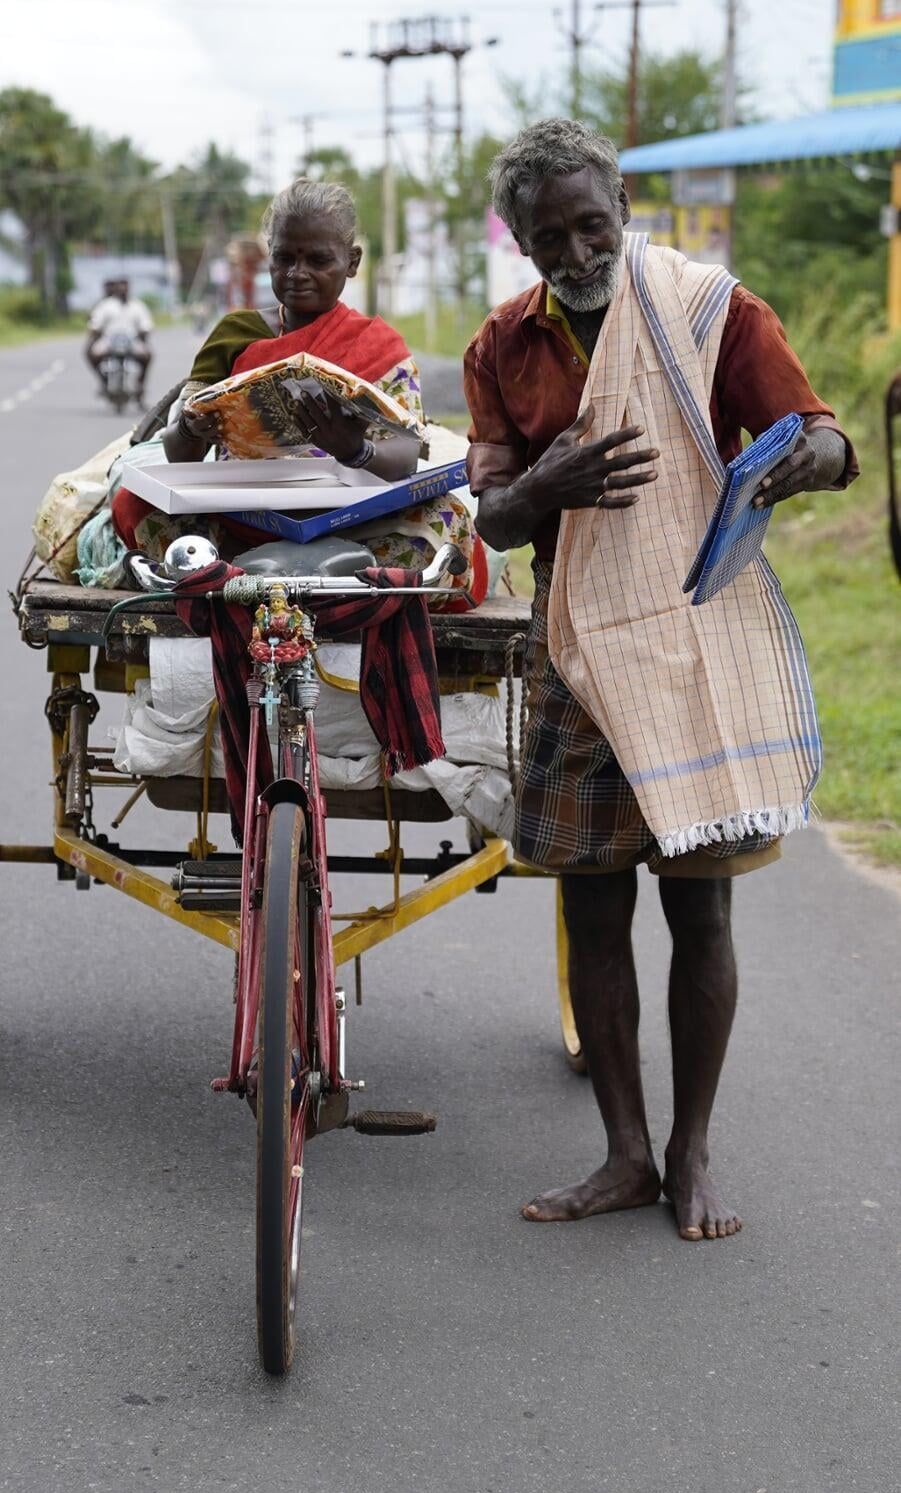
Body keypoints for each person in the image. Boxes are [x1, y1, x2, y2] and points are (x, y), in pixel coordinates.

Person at [464, 120, 858, 1242]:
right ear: (522, 242)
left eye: (593, 225)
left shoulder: (708, 308)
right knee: (592, 909)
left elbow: (822, 437)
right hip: (581, 646)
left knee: (702, 906)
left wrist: (799, 461)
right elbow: (488, 512)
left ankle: (690, 1154)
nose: (579, 252)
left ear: (623, 205)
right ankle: (623, 1155)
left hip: (695, 643)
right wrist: (550, 483)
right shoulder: (503, 345)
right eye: (551, 238)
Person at [112, 178, 480, 599]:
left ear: (352, 261)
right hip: (242, 519)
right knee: (134, 505)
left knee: (447, 519)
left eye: (318, 260)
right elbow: (180, 451)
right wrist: (192, 430)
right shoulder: (235, 334)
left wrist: (354, 451)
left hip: (354, 523)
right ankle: (336, 588)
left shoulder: (379, 345)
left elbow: (405, 456)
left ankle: (233, 584)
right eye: (284, 258)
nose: (297, 274)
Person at [85, 277, 153, 399]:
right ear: (116, 289)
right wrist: (95, 331)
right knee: (92, 354)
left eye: (125, 286)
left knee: (147, 355)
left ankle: (139, 387)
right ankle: (103, 381)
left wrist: (144, 331)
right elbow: (96, 323)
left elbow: (145, 323)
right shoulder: (106, 305)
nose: (123, 290)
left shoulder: (137, 306)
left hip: (132, 341)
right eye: (120, 287)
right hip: (109, 341)